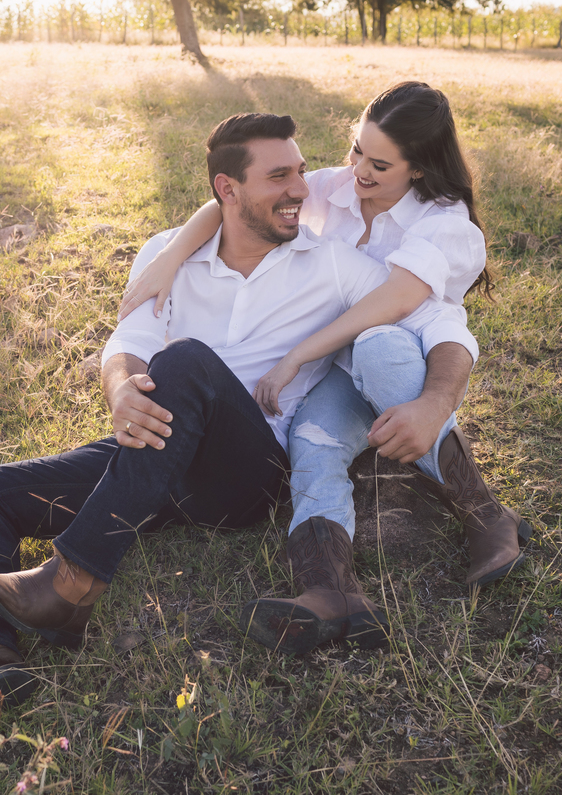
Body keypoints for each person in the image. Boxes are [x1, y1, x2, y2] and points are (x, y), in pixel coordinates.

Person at [0, 111, 477, 734]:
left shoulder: (331, 262)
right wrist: (120, 390)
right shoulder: (166, 256)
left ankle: (73, 582)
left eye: (302, 172)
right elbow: (128, 341)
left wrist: (436, 400)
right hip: (152, 455)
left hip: (243, 474)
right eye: (279, 177)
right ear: (228, 190)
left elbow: (434, 319)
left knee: (188, 364)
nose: (302, 192)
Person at [116, 82, 532, 655]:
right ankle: (331, 592)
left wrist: (431, 403)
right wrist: (171, 255)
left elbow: (434, 326)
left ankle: (484, 512)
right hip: (331, 376)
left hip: (396, 363)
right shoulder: (335, 188)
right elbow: (235, 197)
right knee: (311, 443)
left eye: (379, 164)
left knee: (380, 346)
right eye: (357, 149)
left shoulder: (445, 228)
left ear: (418, 169)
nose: (358, 170)